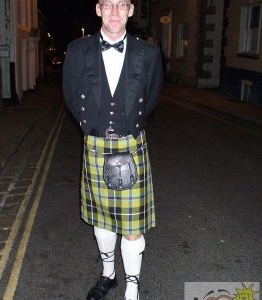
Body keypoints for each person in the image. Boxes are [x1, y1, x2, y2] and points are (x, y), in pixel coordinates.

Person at [63, 1, 163, 299]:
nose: (115, 12)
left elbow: (153, 96)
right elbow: (70, 94)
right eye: (109, 5)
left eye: (122, 5)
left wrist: (130, 128)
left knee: (132, 225)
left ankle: (132, 284)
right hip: (95, 143)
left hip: (131, 144)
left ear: (131, 10)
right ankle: (108, 274)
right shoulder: (77, 50)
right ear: (97, 9)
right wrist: (91, 129)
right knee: (102, 220)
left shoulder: (149, 54)